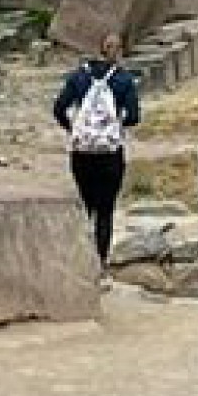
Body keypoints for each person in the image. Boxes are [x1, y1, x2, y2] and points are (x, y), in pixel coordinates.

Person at [50, 47, 141, 266]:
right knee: (105, 210)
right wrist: (116, 127)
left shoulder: (78, 77)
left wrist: (73, 129)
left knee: (86, 205)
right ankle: (100, 261)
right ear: (117, 51)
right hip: (110, 152)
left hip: (82, 152)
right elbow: (134, 116)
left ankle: (80, 258)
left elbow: (59, 108)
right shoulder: (123, 79)